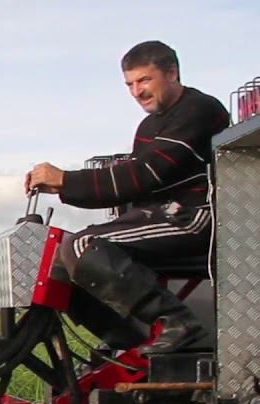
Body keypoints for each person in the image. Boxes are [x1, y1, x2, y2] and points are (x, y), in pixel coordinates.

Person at [25, 40, 230, 354]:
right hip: (161, 215)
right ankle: (126, 342)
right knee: (61, 264)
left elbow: (147, 174)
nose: (137, 92)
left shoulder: (199, 109)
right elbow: (134, 187)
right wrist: (62, 188)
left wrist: (65, 179)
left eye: (145, 80)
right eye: (130, 84)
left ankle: (178, 323)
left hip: (195, 216)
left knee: (82, 246)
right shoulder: (148, 126)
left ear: (172, 72)